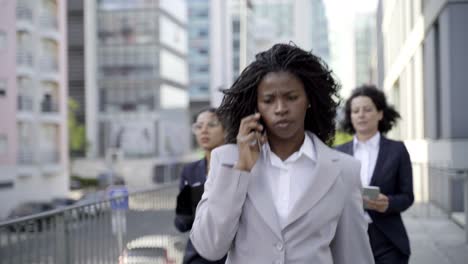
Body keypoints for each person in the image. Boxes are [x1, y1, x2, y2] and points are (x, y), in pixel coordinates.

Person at [190, 43, 374, 263]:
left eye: (291, 97)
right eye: (268, 100)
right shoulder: (226, 160)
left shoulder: (344, 170)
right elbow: (209, 247)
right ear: (256, 106)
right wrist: (241, 169)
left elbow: (354, 256)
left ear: (308, 100)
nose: (280, 109)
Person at [336, 85, 414, 264]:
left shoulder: (397, 150)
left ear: (380, 113)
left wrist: (388, 203)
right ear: (350, 117)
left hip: (387, 239)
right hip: (348, 237)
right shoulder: (337, 153)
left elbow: (407, 196)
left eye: (367, 109)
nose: (361, 115)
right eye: (355, 111)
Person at [174, 108, 227, 264]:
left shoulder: (238, 166)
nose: (204, 130)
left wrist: (195, 195)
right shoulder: (189, 171)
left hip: (231, 254)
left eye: (211, 124)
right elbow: (181, 223)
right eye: (198, 126)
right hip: (198, 256)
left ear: (226, 130)